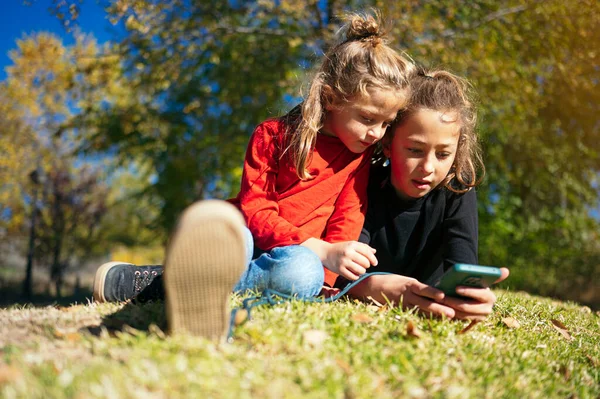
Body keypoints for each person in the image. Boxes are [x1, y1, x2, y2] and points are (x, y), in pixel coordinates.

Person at [93, 12, 414, 339]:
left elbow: (348, 215)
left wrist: (329, 275)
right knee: (239, 245)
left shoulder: (357, 157)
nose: (377, 133)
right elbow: (256, 210)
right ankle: (169, 280)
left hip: (292, 259)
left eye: (386, 123)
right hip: (242, 239)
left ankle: (175, 283)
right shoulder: (272, 135)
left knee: (303, 274)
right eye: (368, 118)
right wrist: (320, 249)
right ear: (331, 98)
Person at [330, 66, 509, 321]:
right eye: (415, 150)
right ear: (388, 144)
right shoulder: (364, 183)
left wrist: (472, 296)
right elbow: (343, 271)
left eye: (443, 154)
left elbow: (463, 263)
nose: (428, 167)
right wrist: (372, 286)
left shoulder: (457, 189)